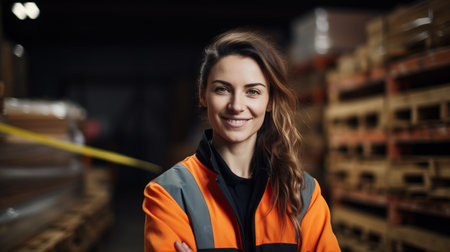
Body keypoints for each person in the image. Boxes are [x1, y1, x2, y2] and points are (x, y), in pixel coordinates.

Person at [142, 28, 340, 252]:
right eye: (222, 89)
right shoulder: (169, 194)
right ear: (202, 95)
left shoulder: (303, 194)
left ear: (270, 101)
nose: (236, 106)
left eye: (252, 91)